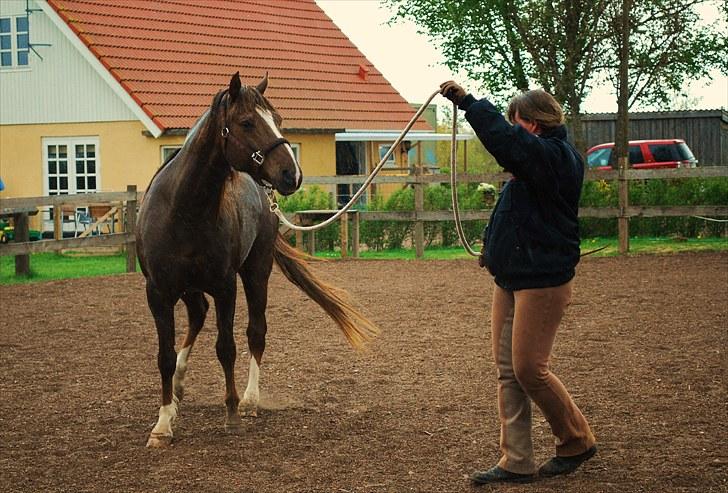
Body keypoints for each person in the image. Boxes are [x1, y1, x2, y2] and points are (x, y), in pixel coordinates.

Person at [440, 81, 596, 485]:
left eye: (516, 122)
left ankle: (576, 438)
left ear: (531, 125)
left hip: (542, 282)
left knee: (530, 368)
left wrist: (471, 104)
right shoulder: (535, 166)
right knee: (508, 369)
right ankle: (517, 460)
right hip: (513, 278)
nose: (513, 129)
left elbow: (506, 143)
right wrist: (493, 251)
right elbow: (516, 217)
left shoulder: (554, 157)